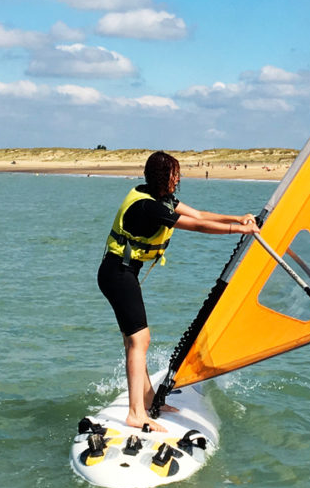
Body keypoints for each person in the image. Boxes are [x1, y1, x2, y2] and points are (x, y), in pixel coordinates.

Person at [97, 151, 259, 432]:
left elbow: (199, 214)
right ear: (164, 177)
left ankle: (146, 400)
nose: (179, 178)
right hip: (117, 274)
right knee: (140, 341)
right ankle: (136, 414)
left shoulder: (159, 198)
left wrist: (239, 219)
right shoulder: (149, 206)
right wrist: (239, 231)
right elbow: (195, 225)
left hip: (121, 273)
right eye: (175, 174)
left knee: (134, 340)